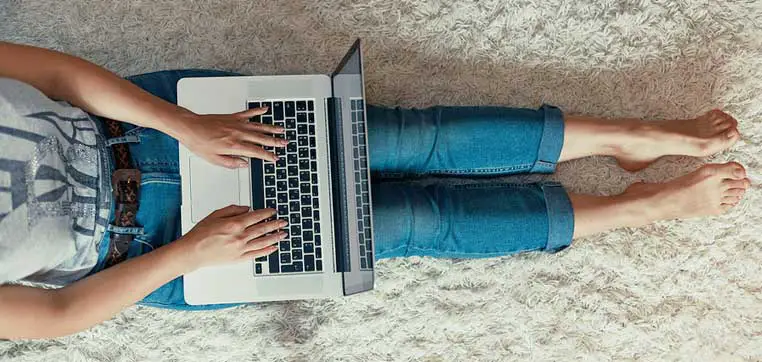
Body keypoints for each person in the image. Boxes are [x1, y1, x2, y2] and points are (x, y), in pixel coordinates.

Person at [0, 41, 749, 340]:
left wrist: (184, 123)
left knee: (405, 136)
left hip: (147, 126)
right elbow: (60, 312)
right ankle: (641, 207)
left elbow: (59, 79)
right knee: (405, 222)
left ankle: (629, 137)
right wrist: (197, 248)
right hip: (156, 251)